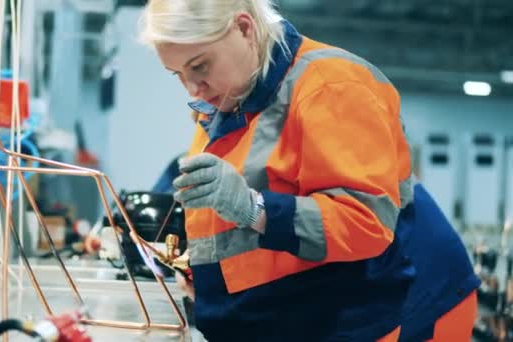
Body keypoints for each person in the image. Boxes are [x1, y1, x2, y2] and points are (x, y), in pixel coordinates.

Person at [140, 1, 479, 340]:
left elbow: (362, 221)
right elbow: (234, 226)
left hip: (411, 304)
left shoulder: (332, 86)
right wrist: (206, 274)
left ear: (244, 29)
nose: (192, 88)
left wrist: (253, 208)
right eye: (179, 74)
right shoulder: (224, 103)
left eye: (200, 66)